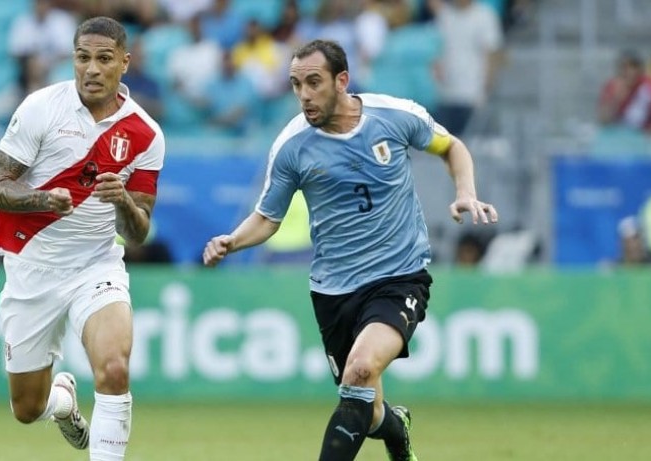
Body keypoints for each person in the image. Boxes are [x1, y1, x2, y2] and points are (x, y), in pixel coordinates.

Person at [202, 39, 498, 461]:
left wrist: (466, 192)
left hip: (399, 276)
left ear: (342, 80)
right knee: (368, 408)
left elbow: (451, 146)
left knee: (360, 371)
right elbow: (268, 217)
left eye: (314, 82)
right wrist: (232, 240)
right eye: (296, 84)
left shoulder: (395, 116)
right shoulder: (292, 147)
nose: (304, 95)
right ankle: (398, 433)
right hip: (333, 290)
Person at [0, 16, 165, 461]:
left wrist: (122, 201)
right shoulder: (42, 107)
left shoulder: (145, 135)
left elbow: (137, 234)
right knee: (27, 409)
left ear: (125, 62)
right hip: (32, 269)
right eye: (83, 58)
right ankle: (63, 403)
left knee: (115, 369)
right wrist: (44, 199)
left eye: (104, 59)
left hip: (96, 266)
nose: (92, 69)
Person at [429, 0, 503, 136]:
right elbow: (436, 49)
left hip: (472, 94)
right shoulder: (444, 16)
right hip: (445, 94)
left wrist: (487, 84)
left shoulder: (485, 16)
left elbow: (491, 53)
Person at [598, 50, 651, 134]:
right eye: (625, 67)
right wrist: (616, 99)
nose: (630, 72)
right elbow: (603, 120)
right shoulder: (612, 86)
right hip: (618, 134)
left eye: (633, 67)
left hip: (643, 135)